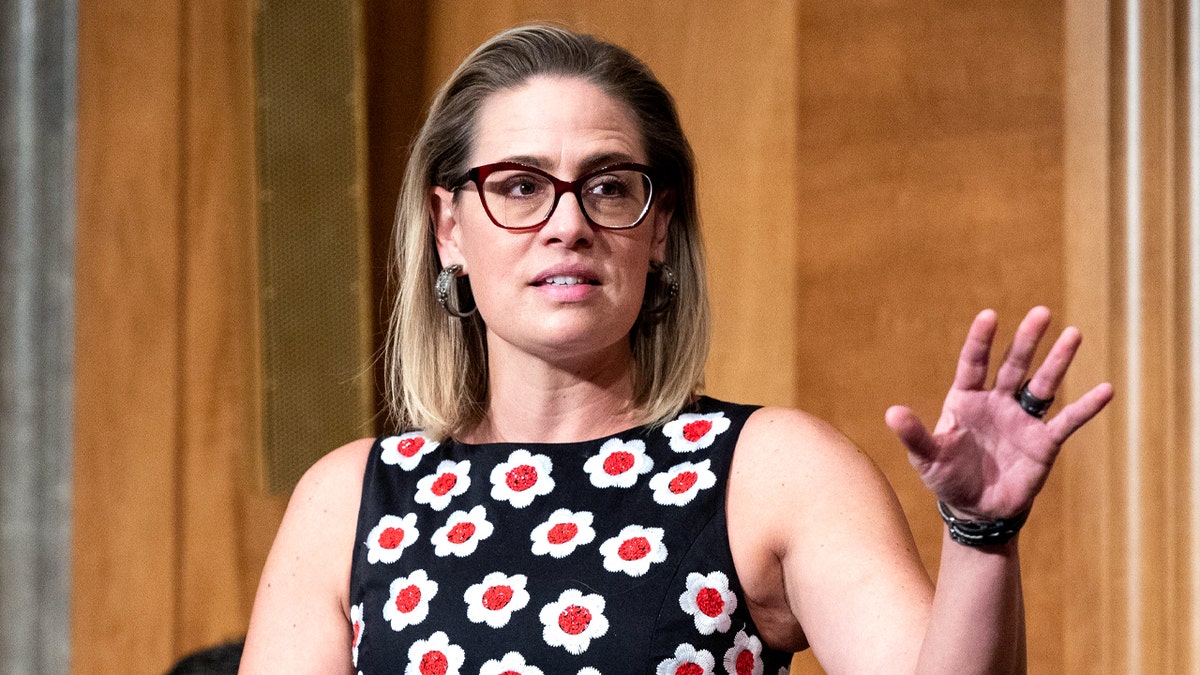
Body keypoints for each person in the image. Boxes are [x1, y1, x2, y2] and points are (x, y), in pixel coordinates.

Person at [240, 25, 1113, 674]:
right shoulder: (349, 500)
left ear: (658, 230)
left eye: (610, 186)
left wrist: (980, 535)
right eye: (519, 186)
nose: (569, 225)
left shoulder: (769, 470)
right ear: (448, 227)